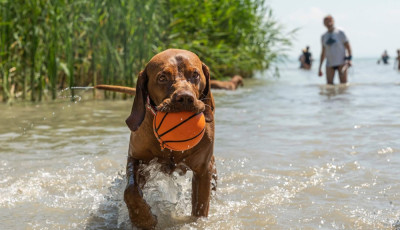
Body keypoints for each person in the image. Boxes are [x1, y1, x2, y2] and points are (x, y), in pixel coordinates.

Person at [318, 15, 352, 85]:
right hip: (330, 64)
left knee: (343, 85)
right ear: (324, 24)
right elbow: (323, 52)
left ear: (333, 22)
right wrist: (320, 67)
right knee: (329, 85)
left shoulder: (340, 32)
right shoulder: (323, 36)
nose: (328, 24)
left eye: (330, 21)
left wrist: (349, 59)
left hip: (342, 62)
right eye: (326, 22)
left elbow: (348, 47)